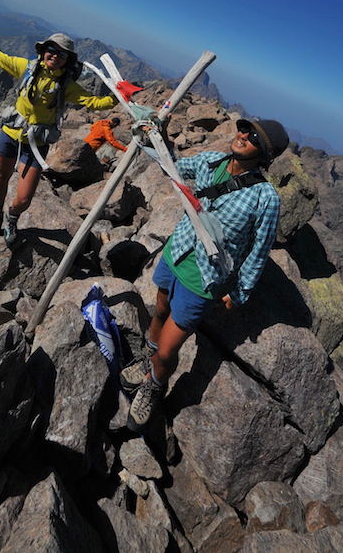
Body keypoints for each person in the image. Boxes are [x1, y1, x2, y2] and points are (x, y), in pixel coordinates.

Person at [120, 117, 289, 432]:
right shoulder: (211, 161)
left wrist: (240, 292)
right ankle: (146, 359)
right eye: (244, 129)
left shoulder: (266, 198)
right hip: (177, 251)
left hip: (204, 278)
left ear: (264, 154)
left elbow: (260, 249)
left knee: (168, 350)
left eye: (254, 137)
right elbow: (173, 167)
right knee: (159, 310)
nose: (243, 135)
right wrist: (159, 137)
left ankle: (155, 384)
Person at [0, 13, 119, 245]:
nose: (55, 55)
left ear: (67, 60)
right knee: (1, 177)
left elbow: (94, 102)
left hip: (36, 143)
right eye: (51, 49)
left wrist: (117, 96)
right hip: (11, 133)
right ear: (44, 50)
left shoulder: (67, 86)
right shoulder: (26, 68)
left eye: (61, 54)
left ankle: (12, 217)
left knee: (24, 198)